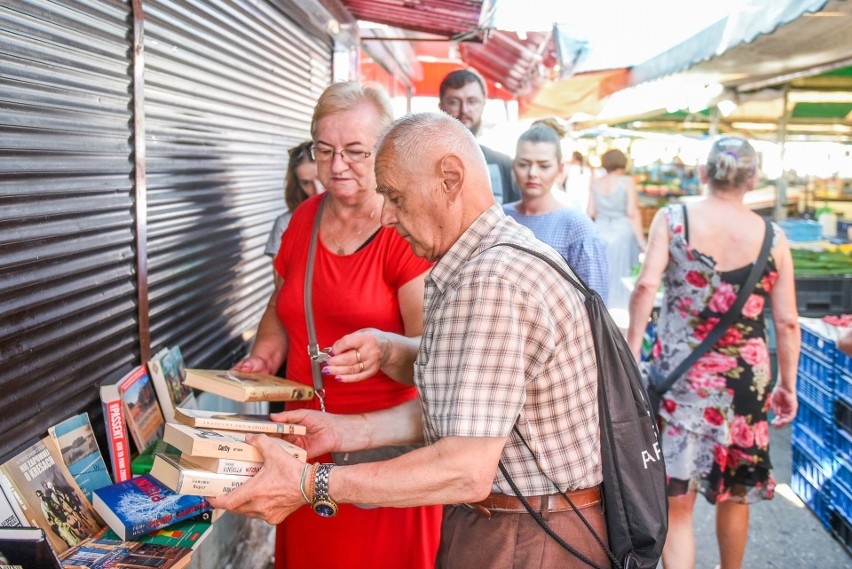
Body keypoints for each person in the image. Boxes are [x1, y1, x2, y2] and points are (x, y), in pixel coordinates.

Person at [211, 112, 610, 569]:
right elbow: (471, 404)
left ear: (450, 179)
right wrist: (347, 428)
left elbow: (464, 468)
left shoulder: (492, 280)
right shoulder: (493, 257)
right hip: (523, 526)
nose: (386, 217)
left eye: (395, 196)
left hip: (527, 537)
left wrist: (312, 484)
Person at [232, 82, 440, 569]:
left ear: (386, 149)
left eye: (354, 151)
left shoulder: (403, 230)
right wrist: (264, 355)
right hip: (305, 441)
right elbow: (280, 303)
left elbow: (430, 359)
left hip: (384, 449)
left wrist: (386, 350)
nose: (336, 165)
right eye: (324, 151)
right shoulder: (303, 218)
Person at [626, 135, 800, 569]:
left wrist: (631, 354)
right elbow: (787, 322)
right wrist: (786, 384)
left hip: (681, 382)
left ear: (703, 173)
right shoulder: (774, 237)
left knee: (676, 501)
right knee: (734, 494)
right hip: (745, 383)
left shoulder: (674, 218)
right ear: (753, 179)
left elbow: (646, 285)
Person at [505, 123, 609, 301]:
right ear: (513, 166)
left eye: (544, 166)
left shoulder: (578, 227)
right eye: (524, 164)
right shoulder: (500, 217)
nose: (533, 173)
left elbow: (596, 308)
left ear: (560, 169)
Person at [438, 68, 519, 204]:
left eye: (472, 101)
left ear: (483, 105)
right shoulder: (424, 162)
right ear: (441, 106)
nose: (464, 110)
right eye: (454, 102)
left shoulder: (503, 164)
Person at [587, 148, 646, 310]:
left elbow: (590, 212)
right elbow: (632, 213)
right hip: (622, 233)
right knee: (623, 275)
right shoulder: (627, 181)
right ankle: (623, 310)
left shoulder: (596, 182)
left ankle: (602, 308)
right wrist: (642, 242)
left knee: (603, 274)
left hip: (601, 231)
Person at [264, 141, 323, 261]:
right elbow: (281, 278)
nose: (318, 190)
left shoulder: (362, 214)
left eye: (321, 178)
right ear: (298, 185)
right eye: (306, 183)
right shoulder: (286, 223)